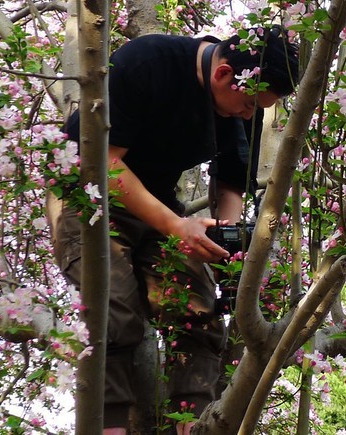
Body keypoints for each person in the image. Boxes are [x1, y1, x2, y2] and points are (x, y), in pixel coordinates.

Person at [49, 25, 299, 434]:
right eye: (249, 104)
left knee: (198, 313)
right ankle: (108, 425)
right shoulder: (146, 63)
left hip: (158, 202)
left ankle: (192, 423)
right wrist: (177, 226)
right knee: (115, 309)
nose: (250, 114)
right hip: (86, 197)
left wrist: (225, 241)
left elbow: (234, 182)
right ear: (222, 76)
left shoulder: (241, 101)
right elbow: (102, 164)